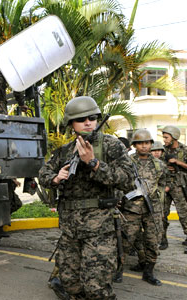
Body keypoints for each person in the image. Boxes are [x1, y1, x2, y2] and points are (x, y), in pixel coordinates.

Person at [38, 96, 134, 299]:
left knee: (96, 289)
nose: (88, 122)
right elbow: (43, 174)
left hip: (99, 229)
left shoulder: (111, 146)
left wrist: (94, 164)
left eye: (92, 117)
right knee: (70, 285)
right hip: (70, 230)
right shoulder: (65, 151)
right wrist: (55, 179)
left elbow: (128, 180)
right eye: (81, 119)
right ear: (71, 124)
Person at [118, 129, 165, 286]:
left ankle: (148, 272)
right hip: (132, 209)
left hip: (152, 210)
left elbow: (163, 183)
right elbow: (120, 182)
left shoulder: (159, 165)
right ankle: (118, 270)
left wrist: (157, 196)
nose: (144, 146)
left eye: (147, 143)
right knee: (125, 241)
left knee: (152, 242)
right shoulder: (128, 162)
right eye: (140, 143)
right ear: (135, 145)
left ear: (151, 144)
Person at [160, 125, 187, 249]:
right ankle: (162, 240)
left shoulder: (184, 150)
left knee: (184, 214)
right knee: (162, 214)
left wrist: (178, 162)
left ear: (174, 137)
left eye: (166, 137)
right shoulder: (161, 150)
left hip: (179, 186)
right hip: (165, 186)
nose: (164, 140)